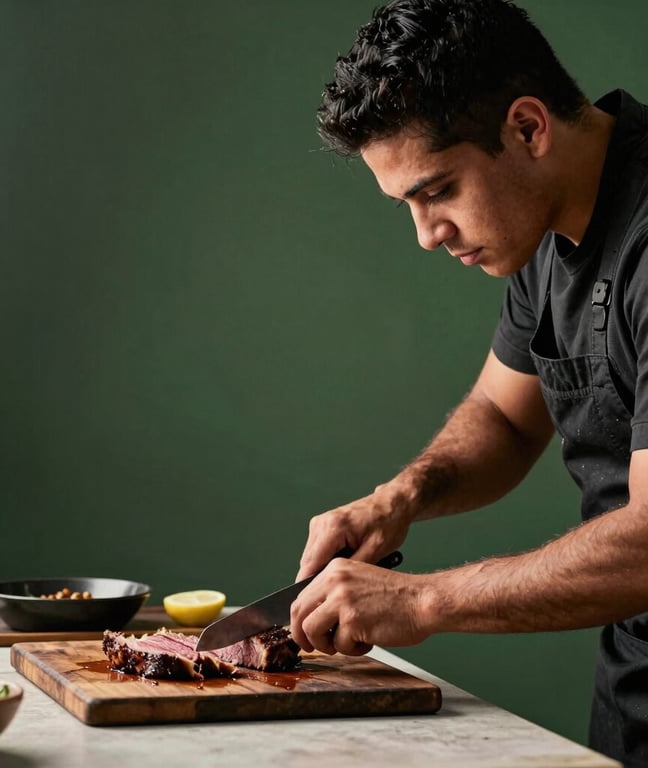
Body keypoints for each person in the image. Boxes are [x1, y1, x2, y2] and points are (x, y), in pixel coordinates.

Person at [287, 1, 648, 764]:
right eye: (408, 205)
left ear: (528, 128)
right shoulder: (545, 222)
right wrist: (399, 498)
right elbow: (505, 418)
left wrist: (422, 601)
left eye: (437, 190)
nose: (427, 235)